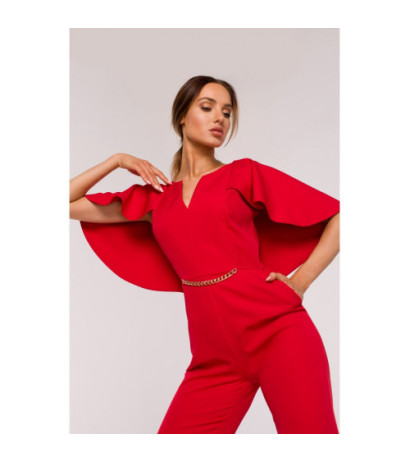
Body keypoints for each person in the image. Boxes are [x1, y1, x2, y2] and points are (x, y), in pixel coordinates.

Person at [70, 75, 340, 434]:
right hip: (213, 358)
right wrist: (117, 160)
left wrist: (300, 281)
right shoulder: (155, 199)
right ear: (182, 116)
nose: (219, 119)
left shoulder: (243, 174)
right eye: (208, 107)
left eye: (227, 113)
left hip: (279, 332)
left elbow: (338, 215)